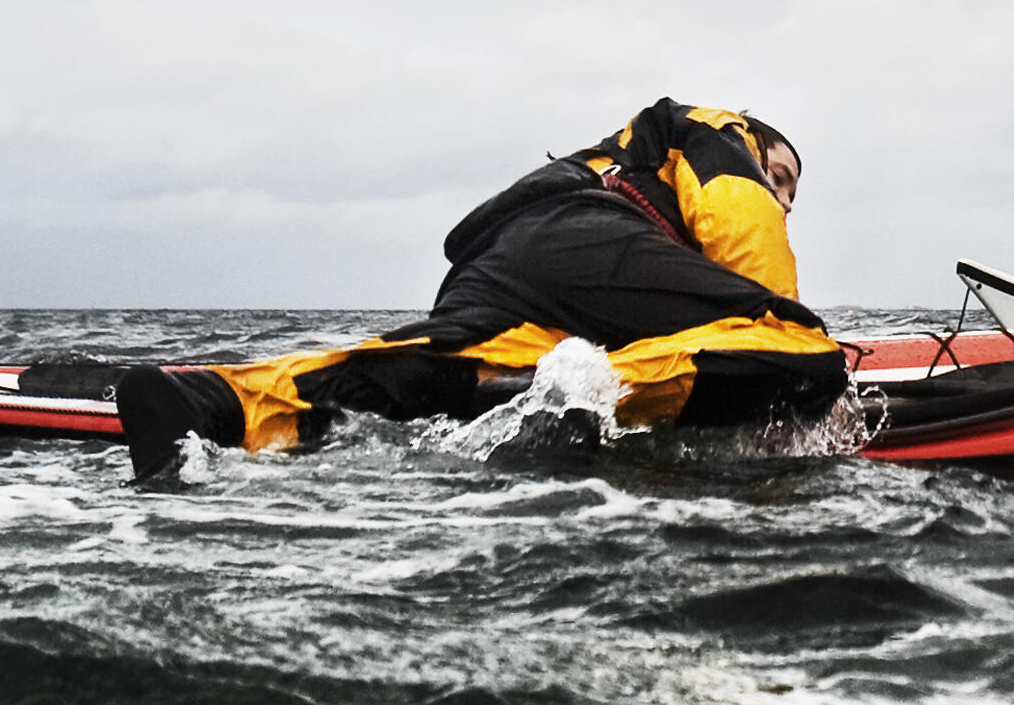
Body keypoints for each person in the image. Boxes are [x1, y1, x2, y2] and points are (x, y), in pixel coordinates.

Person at [114, 100, 841, 475]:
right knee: (799, 349)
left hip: (506, 261)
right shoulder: (720, 132)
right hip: (597, 236)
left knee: (432, 370)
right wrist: (786, 335)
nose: (781, 200)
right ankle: (572, 400)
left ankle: (206, 401)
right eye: (781, 179)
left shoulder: (607, 162)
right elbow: (755, 269)